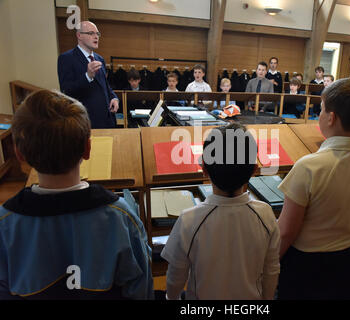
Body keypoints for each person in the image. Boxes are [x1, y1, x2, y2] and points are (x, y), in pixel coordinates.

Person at [0, 90, 154, 300]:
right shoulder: (120, 216)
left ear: (19, 153)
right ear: (88, 148)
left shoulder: (5, 223)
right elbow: (140, 287)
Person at [276, 79, 350, 300]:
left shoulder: (309, 166)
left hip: (306, 262)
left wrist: (269, 264)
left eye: (321, 109)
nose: (319, 114)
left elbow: (286, 231)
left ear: (331, 117)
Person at [161, 123, 280, 300]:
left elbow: (175, 278)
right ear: (254, 170)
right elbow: (271, 270)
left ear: (204, 169)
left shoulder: (189, 220)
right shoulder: (266, 215)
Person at [58, 21, 119, 129]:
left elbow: (105, 86)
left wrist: (114, 98)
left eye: (97, 34)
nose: (96, 37)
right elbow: (66, 91)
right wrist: (87, 76)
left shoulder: (100, 59)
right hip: (86, 123)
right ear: (79, 35)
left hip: (107, 121)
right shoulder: (66, 58)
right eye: (91, 33)